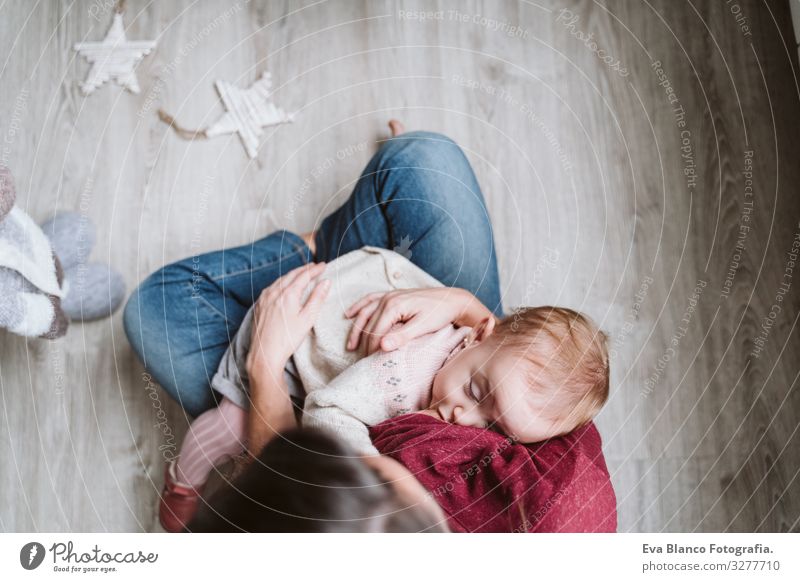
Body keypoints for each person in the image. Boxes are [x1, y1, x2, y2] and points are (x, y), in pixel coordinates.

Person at [124, 121, 614, 532]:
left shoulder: (469, 397)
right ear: (482, 336)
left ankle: (183, 480)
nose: (466, 420)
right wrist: (462, 305)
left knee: (192, 368)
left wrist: (265, 365)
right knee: (423, 161)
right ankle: (329, 254)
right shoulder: (440, 373)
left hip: (296, 367)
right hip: (361, 318)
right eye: (477, 391)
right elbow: (335, 407)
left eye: (495, 427)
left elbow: (311, 442)